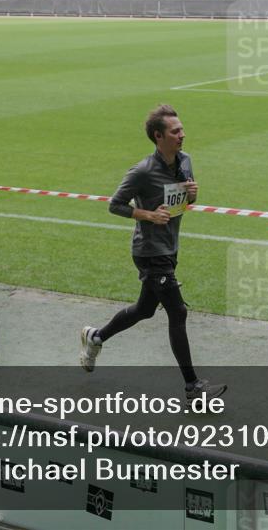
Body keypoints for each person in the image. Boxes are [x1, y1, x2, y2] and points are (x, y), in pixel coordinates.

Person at [80, 105, 225, 401]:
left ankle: (95, 337)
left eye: (182, 129)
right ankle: (193, 387)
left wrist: (192, 196)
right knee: (178, 312)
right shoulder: (142, 171)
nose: (182, 135)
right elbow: (115, 205)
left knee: (145, 310)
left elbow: (179, 205)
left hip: (170, 248)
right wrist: (147, 215)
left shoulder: (185, 161)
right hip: (149, 252)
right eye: (175, 131)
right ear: (159, 136)